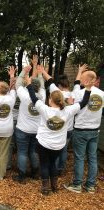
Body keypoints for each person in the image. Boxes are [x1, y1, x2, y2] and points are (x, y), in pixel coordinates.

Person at [24, 65, 92, 195]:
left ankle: (45, 188)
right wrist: (88, 89)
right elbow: (83, 102)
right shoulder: (68, 110)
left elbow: (33, 97)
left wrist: (28, 84)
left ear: (50, 100)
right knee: (53, 164)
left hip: (44, 143)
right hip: (58, 145)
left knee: (44, 165)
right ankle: (54, 186)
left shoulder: (45, 110)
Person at [64, 67, 104, 194]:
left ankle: (77, 185)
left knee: (80, 158)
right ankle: (91, 186)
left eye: (82, 78)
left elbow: (71, 101)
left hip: (81, 129)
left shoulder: (80, 93)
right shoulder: (102, 94)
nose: (80, 79)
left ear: (86, 80)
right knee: (93, 158)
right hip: (95, 130)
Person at [13, 65, 46, 183]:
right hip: (36, 130)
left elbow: (17, 84)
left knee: (22, 152)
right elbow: (42, 85)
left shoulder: (25, 95)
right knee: (33, 151)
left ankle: (21, 176)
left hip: (23, 129)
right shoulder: (42, 97)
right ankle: (35, 173)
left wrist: (23, 72)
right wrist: (40, 73)